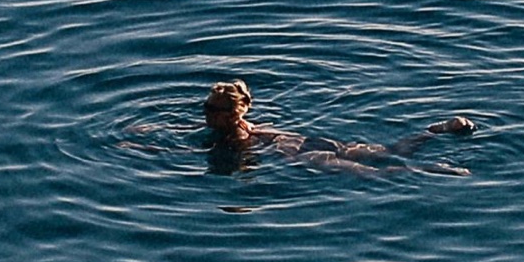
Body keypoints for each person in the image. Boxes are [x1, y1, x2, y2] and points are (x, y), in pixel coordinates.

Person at [202, 80, 474, 174]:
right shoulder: (247, 124)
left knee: (374, 174)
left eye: (210, 109)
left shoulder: (231, 137)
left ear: (228, 115)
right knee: (389, 151)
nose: (205, 113)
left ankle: (434, 169)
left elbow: (190, 152)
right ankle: (434, 131)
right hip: (311, 142)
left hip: (305, 156)